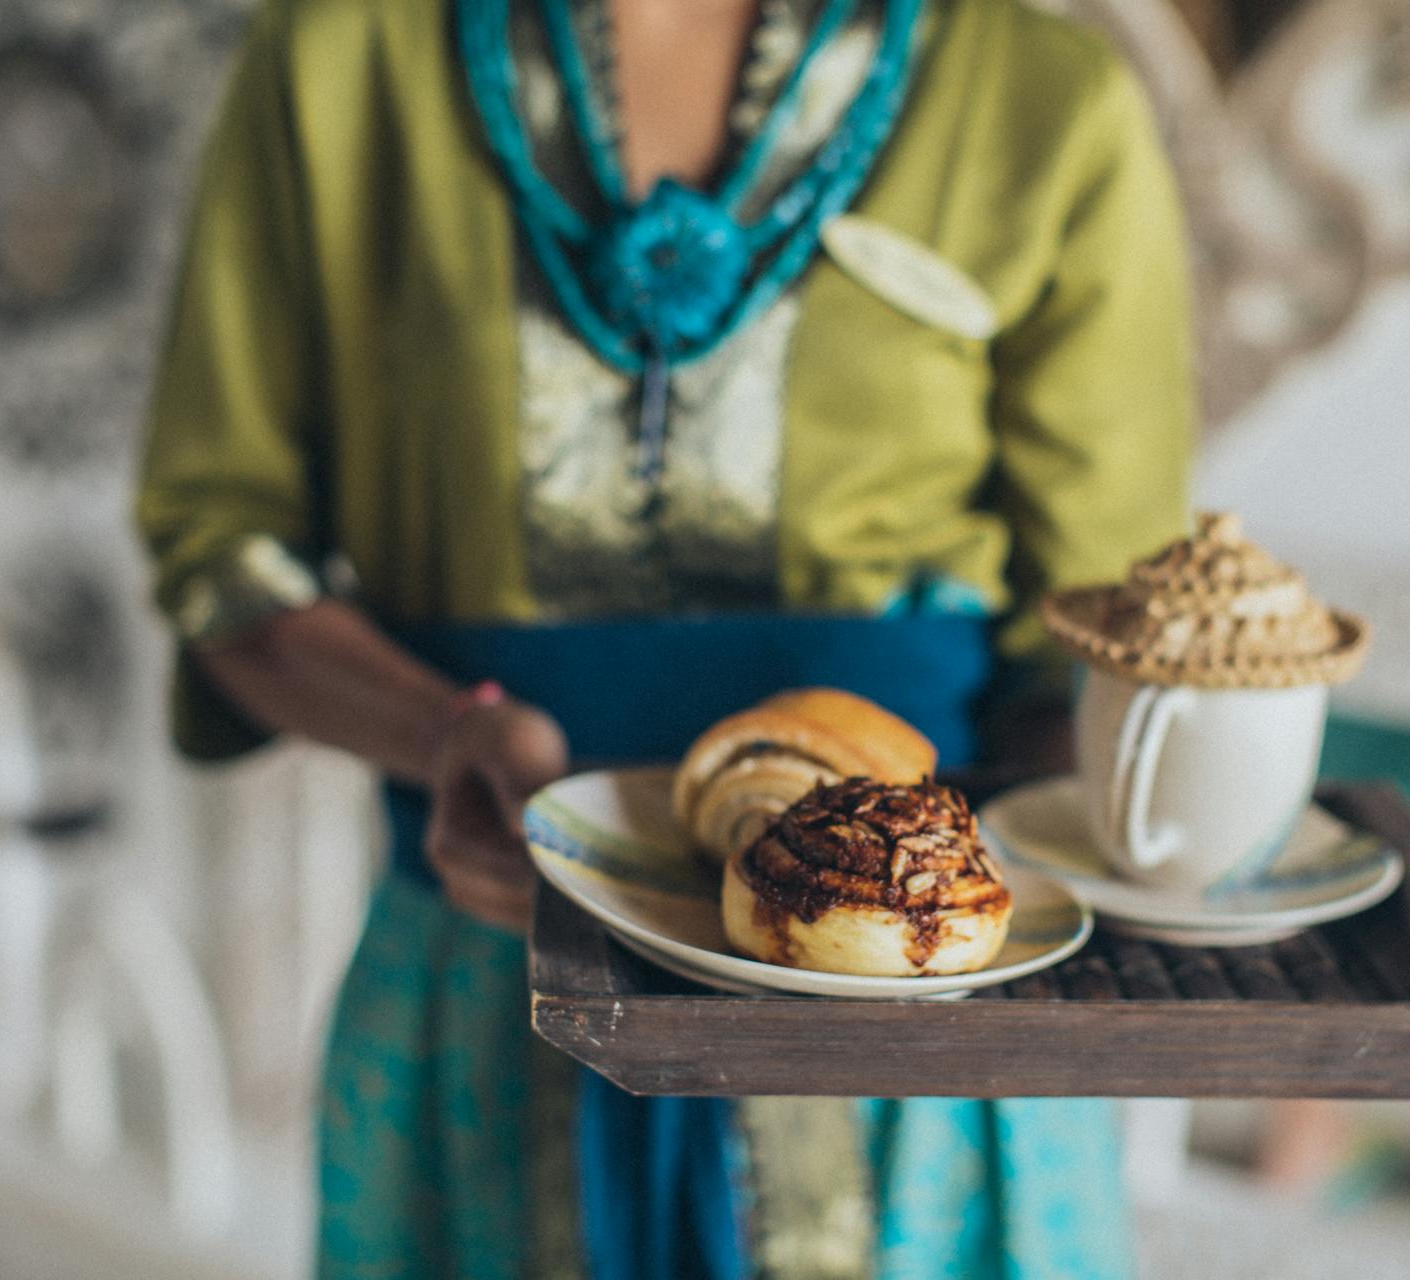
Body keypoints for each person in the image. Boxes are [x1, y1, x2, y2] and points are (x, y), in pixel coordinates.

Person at [136, 0, 1196, 1274]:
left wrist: (944, 879)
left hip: (921, 1031)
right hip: (486, 982)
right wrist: (445, 731)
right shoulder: (340, 62)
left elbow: (1106, 639)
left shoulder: (1043, 97)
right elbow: (226, 557)